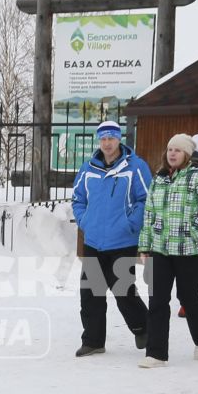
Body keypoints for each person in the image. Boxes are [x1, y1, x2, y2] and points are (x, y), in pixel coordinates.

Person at [70, 121, 153, 356]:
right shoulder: (88, 168)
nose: (107, 143)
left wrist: (131, 224)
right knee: (91, 291)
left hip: (122, 239)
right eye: (103, 138)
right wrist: (85, 221)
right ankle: (93, 340)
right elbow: (78, 199)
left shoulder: (135, 166)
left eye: (111, 138)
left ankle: (143, 327)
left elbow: (145, 199)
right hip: (94, 239)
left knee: (122, 288)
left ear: (119, 140)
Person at [136, 133, 198, 367]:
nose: (172, 153)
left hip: (190, 251)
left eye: (178, 150)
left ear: (187, 155)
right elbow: (149, 214)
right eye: (170, 149)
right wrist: (145, 244)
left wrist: (191, 233)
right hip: (161, 249)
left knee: (188, 297)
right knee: (157, 300)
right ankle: (156, 353)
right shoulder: (159, 179)